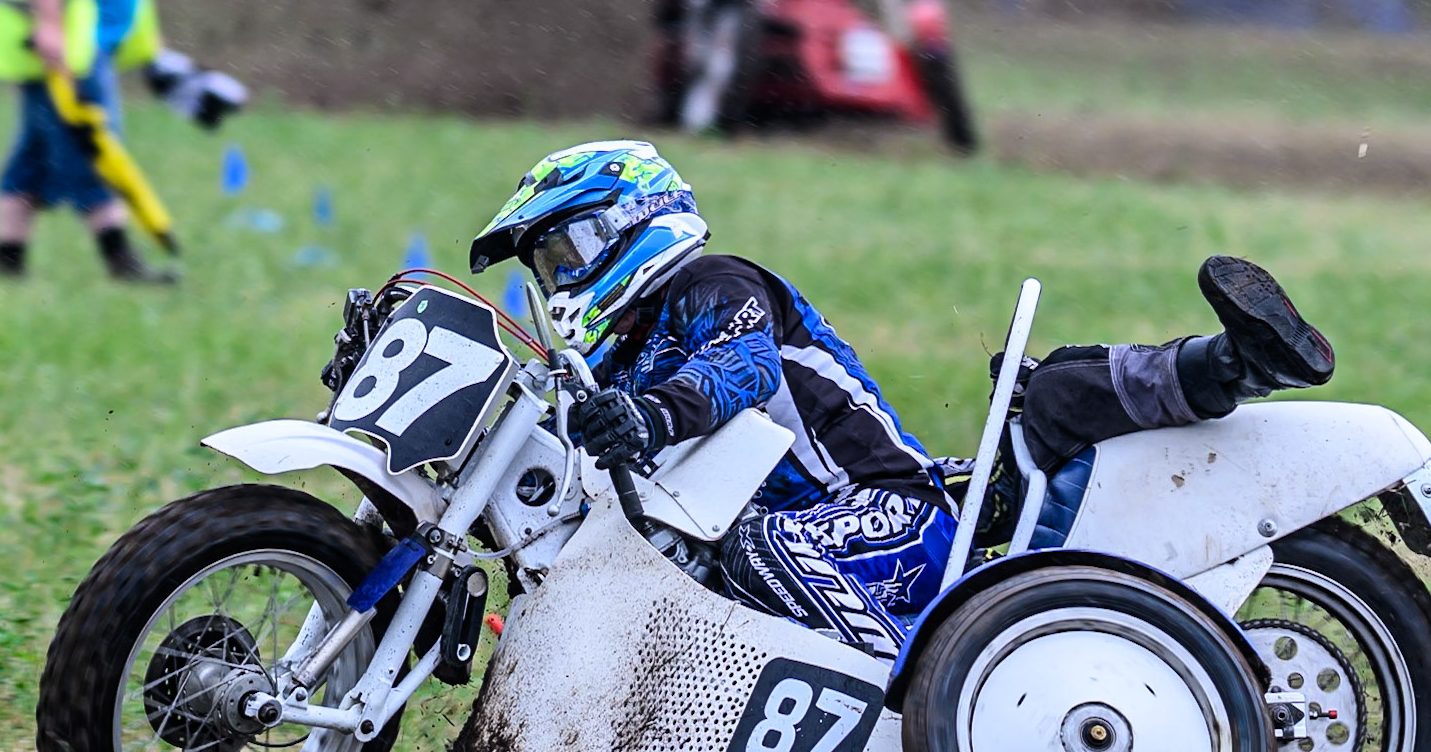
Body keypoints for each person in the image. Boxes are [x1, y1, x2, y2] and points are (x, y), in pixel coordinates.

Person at [469, 140, 1334, 663]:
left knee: (760, 544)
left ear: (637, 221)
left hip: (887, 513)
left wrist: (653, 416)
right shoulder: (619, 351)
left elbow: (739, 371)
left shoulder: (712, 284)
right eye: (545, 263)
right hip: (847, 531)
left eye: (570, 247)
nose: (560, 276)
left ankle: (907, 716)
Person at [0, 0, 238, 282]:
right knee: (94, 146)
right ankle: (122, 263)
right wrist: (49, 23)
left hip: (80, 39)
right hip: (68, 44)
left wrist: (155, 52)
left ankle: (7, 260)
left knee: (34, 154)